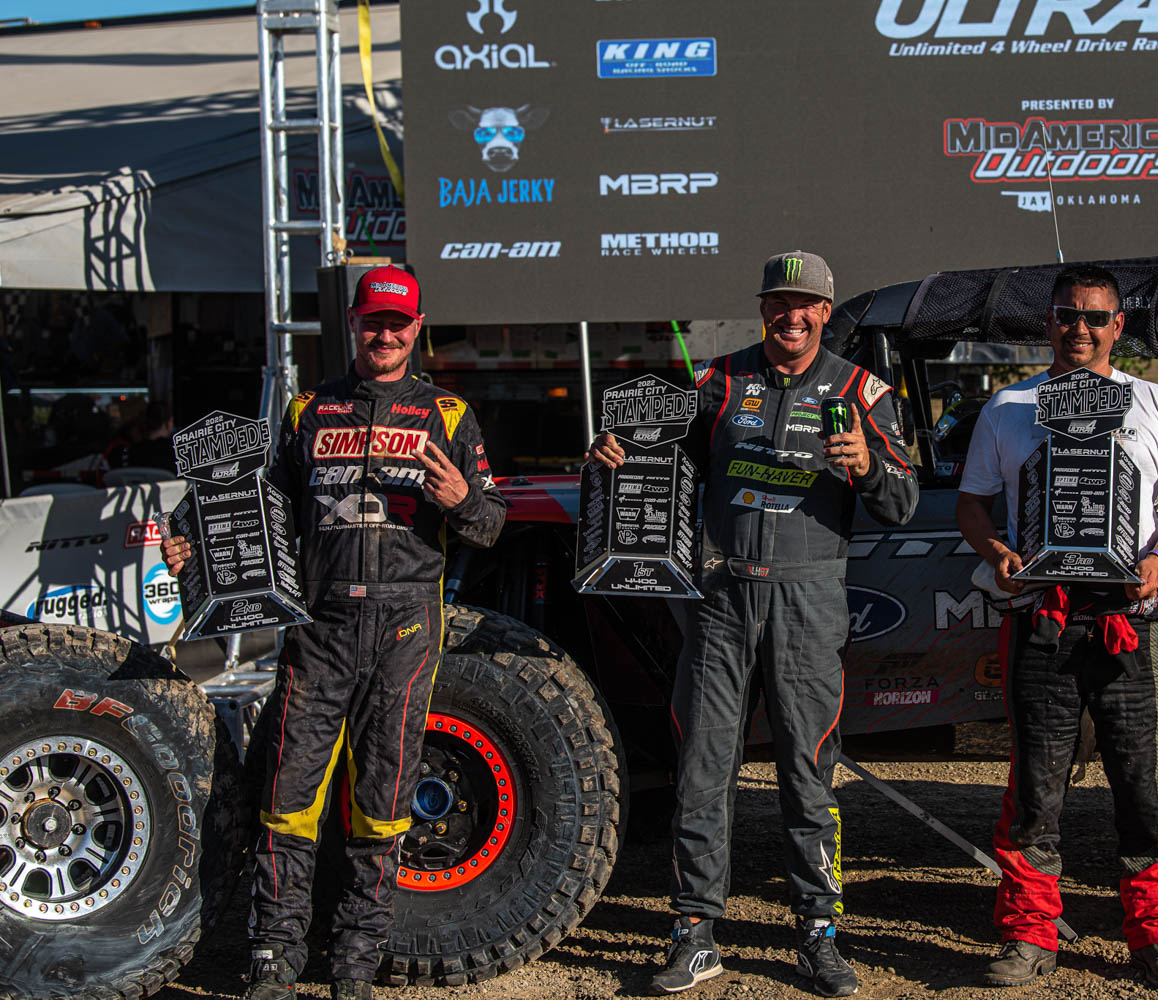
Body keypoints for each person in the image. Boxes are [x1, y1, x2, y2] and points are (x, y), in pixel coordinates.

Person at [161, 266, 506, 1000]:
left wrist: (462, 499)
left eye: (398, 323)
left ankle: (355, 961)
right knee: (287, 795)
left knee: (382, 801)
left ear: (418, 328)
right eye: (373, 320)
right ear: (353, 322)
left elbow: (491, 525)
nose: (385, 334)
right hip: (319, 626)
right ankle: (273, 957)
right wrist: (195, 547)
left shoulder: (450, 414)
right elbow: (262, 518)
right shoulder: (307, 411)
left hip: (407, 624)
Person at [588, 251, 918, 997]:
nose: (790, 315)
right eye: (778, 301)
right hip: (721, 599)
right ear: (762, 305)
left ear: (826, 312)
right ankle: (694, 930)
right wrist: (614, 459)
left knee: (809, 775)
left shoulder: (864, 390)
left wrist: (867, 463)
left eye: (805, 304)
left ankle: (817, 932)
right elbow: (660, 476)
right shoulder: (713, 382)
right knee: (703, 770)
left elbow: (899, 502)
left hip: (808, 601)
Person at [954, 265, 1158, 992]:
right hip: (1044, 619)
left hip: (1131, 622)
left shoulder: (1155, 402)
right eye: (1068, 315)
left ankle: (1157, 936)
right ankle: (1028, 936)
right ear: (1048, 322)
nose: (1081, 329)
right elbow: (973, 504)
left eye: (1096, 318)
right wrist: (998, 552)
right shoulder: (1008, 406)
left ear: (1118, 326)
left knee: (1147, 789)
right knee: (1035, 791)